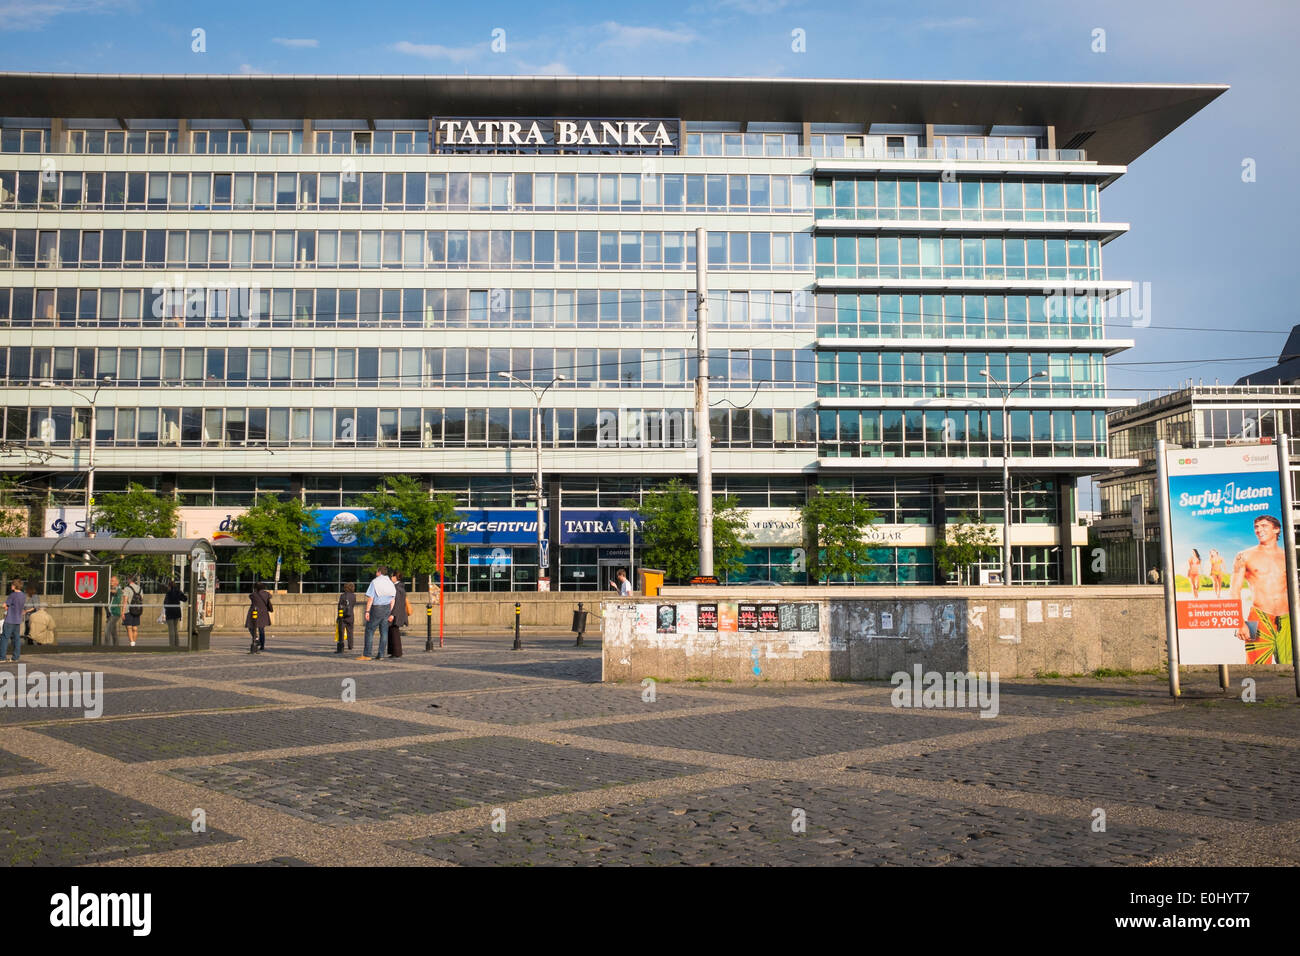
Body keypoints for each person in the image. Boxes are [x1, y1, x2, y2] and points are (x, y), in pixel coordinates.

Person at [1231, 514, 1291, 664]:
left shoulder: (1288, 556)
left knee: (1291, 666)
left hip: (1288, 617)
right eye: (1256, 527)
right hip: (1257, 617)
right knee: (1255, 667)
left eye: (1264, 526)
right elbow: (1234, 591)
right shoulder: (1244, 556)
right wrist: (1239, 623)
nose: (1259, 530)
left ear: (1276, 529)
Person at [361, 566, 395, 661]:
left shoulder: (375, 582)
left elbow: (371, 598)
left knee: (370, 630)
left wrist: (367, 611)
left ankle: (367, 654)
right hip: (387, 608)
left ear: (379, 572)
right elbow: (393, 599)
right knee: (384, 632)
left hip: (377, 608)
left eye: (376, 571)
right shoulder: (390, 583)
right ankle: (381, 654)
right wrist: (390, 611)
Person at [2, 578, 26, 662]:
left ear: (15, 586)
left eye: (12, 585)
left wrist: (4, 605)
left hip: (10, 620)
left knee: (4, 638)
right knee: (16, 639)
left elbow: (5, 605)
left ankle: (2, 657)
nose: (11, 586)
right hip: (17, 620)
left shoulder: (12, 595)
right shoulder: (23, 595)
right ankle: (15, 657)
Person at [245, 582, 273, 654]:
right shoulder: (266, 594)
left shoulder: (253, 595)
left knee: (251, 627)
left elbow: (250, 596)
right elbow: (269, 600)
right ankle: (262, 645)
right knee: (261, 629)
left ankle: (256, 638)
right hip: (263, 613)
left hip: (254, 612)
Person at [388, 572, 409, 658]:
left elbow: (396, 603)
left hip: (396, 613)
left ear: (396, 577)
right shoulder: (399, 587)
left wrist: (392, 614)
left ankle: (396, 652)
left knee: (394, 633)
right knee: (393, 632)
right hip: (397, 613)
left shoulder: (397, 588)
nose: (391, 577)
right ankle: (394, 652)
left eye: (392, 576)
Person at [163, 579, 187, 647]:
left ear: (169, 586)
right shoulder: (178, 591)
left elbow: (165, 603)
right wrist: (180, 593)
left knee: (171, 629)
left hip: (170, 612)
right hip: (177, 612)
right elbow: (185, 599)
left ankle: (172, 645)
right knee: (175, 629)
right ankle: (177, 644)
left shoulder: (168, 592)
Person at [121, 574, 143, 647]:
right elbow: (141, 599)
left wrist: (123, 612)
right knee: (135, 627)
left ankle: (132, 643)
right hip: (137, 610)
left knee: (129, 627)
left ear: (129, 580)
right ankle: (133, 642)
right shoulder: (140, 588)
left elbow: (125, 601)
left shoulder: (127, 588)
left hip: (128, 610)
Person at [336, 581, 356, 654]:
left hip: (343, 616)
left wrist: (338, 617)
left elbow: (340, 607)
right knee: (350, 631)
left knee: (341, 631)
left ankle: (341, 646)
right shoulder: (354, 596)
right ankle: (350, 645)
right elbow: (353, 604)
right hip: (351, 615)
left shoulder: (342, 595)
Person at [106, 575, 122, 646]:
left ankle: (106, 646)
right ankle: (116, 645)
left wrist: (106, 589)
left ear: (117, 582)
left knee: (107, 629)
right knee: (113, 631)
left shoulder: (118, 588)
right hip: (110, 614)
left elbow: (115, 591)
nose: (110, 582)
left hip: (115, 613)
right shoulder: (109, 589)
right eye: (110, 580)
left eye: (112, 580)